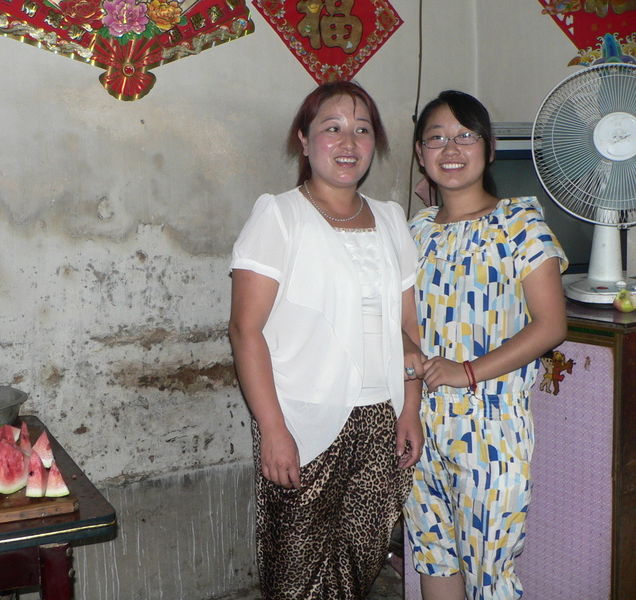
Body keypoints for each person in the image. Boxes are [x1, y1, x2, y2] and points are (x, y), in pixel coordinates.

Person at [228, 80, 425, 599]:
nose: (348, 142)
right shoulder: (280, 215)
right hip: (302, 414)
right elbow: (245, 329)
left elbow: (409, 328)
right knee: (295, 573)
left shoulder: (389, 218)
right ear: (303, 139)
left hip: (382, 415)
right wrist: (272, 428)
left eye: (362, 130)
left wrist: (410, 409)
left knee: (360, 563)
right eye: (332, 128)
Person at [403, 90, 568, 600]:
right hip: (418, 423)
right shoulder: (412, 233)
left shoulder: (521, 225)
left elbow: (551, 325)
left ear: (489, 148)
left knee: (490, 575)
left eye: (465, 136)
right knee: (432, 554)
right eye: (436, 138)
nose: (450, 149)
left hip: (491, 427)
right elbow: (402, 320)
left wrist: (467, 371)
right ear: (419, 153)